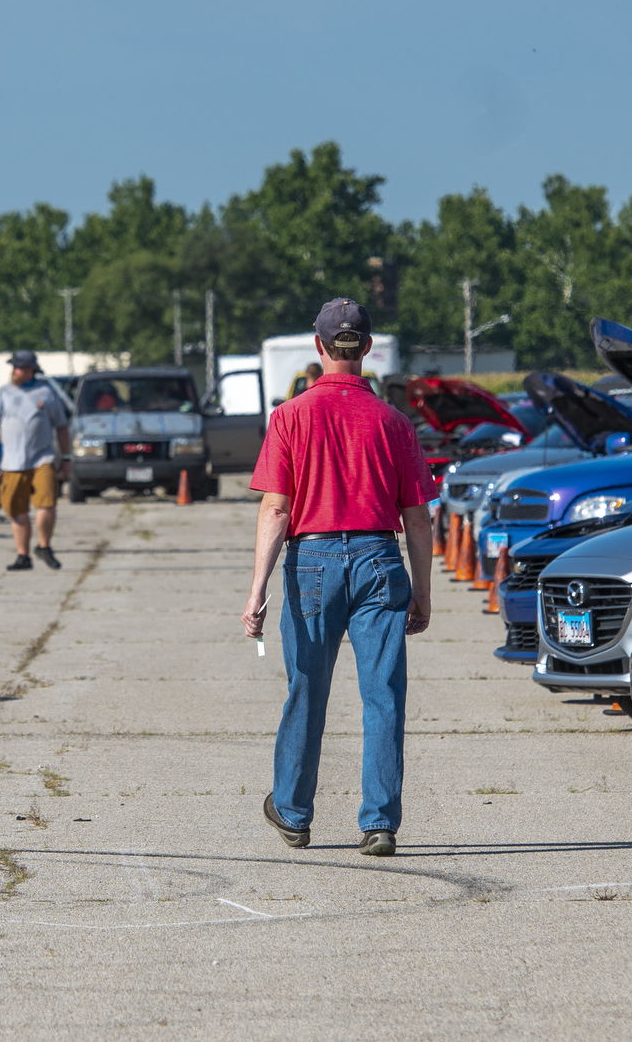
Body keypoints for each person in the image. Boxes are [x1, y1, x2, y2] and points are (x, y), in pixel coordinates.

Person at [242, 298, 433, 857]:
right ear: (367, 348)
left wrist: (256, 591)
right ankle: (379, 823)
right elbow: (417, 518)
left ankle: (294, 813)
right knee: (383, 697)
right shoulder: (394, 423)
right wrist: (422, 593)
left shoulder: (290, 417)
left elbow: (276, 510)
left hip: (313, 562)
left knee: (307, 689)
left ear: (319, 347)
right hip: (379, 558)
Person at [0, 351, 71, 571]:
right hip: (12, 463)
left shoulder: (46, 393)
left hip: (43, 458)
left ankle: (44, 546)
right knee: (15, 509)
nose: (15, 371)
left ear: (31, 370)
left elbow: (61, 427)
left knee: (47, 502)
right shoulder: (3, 393)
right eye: (14, 367)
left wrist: (66, 458)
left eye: (20, 368)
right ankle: (23, 555)